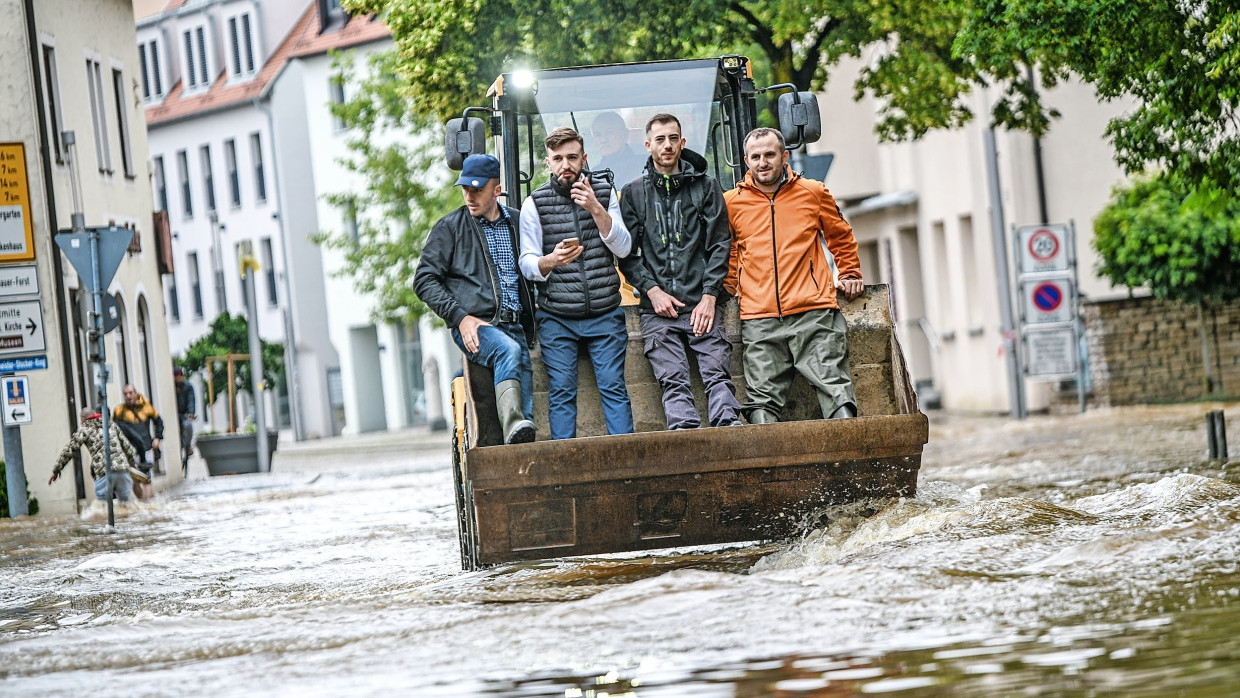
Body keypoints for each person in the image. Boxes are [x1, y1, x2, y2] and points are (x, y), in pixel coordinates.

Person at [724, 127, 864, 423]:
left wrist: (850, 271)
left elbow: (840, 234)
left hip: (813, 312)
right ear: (746, 160)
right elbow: (730, 252)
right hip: (759, 319)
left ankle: (851, 462)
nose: (763, 162)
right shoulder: (732, 203)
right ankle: (770, 467)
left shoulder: (813, 192)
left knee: (836, 390)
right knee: (760, 403)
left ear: (784, 156)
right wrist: (724, 293)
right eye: (756, 156)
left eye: (770, 155)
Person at [619, 113, 743, 429]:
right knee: (672, 377)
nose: (667, 145)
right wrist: (651, 290)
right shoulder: (633, 193)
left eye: (673, 138)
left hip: (701, 303)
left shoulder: (706, 187)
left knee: (717, 372)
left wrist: (709, 296)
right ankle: (684, 432)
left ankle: (729, 427)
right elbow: (627, 254)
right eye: (660, 139)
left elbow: (719, 245)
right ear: (648, 145)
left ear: (682, 142)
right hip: (658, 310)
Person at [519, 126, 634, 439]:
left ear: (584, 159)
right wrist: (550, 261)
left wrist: (595, 208)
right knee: (561, 394)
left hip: (605, 312)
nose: (565, 164)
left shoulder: (605, 192)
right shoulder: (534, 203)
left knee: (614, 388)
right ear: (548, 163)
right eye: (558, 158)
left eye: (572, 157)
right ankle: (563, 469)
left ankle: (627, 463)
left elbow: (623, 247)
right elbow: (527, 263)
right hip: (557, 318)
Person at [414, 153, 537, 444]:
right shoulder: (449, 228)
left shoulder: (518, 223)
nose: (469, 195)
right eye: (465, 189)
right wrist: (460, 317)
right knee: (507, 351)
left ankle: (520, 452)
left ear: (497, 189)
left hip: (517, 325)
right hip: (477, 325)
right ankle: (513, 424)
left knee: (527, 405)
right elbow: (423, 280)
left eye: (477, 189)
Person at [50, 407, 139, 505]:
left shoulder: (85, 429)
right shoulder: (111, 425)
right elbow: (128, 447)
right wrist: (133, 464)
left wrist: (56, 470)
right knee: (125, 505)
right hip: (122, 470)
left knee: (103, 507)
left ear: (83, 419)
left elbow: (69, 450)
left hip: (104, 472)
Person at [113, 384, 164, 478]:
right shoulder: (119, 411)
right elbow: (115, 429)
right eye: (125, 394)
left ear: (135, 393)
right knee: (134, 480)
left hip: (146, 447)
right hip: (130, 450)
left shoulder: (146, 407)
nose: (128, 396)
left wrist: (157, 438)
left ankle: (148, 492)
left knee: (146, 478)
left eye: (130, 393)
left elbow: (159, 421)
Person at [589, 112, 645, 186]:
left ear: (624, 135)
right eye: (598, 135)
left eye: (609, 132)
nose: (603, 140)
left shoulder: (646, 165)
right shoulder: (594, 174)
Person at [174, 367, 196, 466]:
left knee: (188, 425)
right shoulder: (171, 386)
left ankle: (188, 446)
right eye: (176, 376)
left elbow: (191, 400)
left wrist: (191, 412)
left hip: (184, 413)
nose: (178, 378)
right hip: (174, 414)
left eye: (180, 376)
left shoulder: (188, 387)